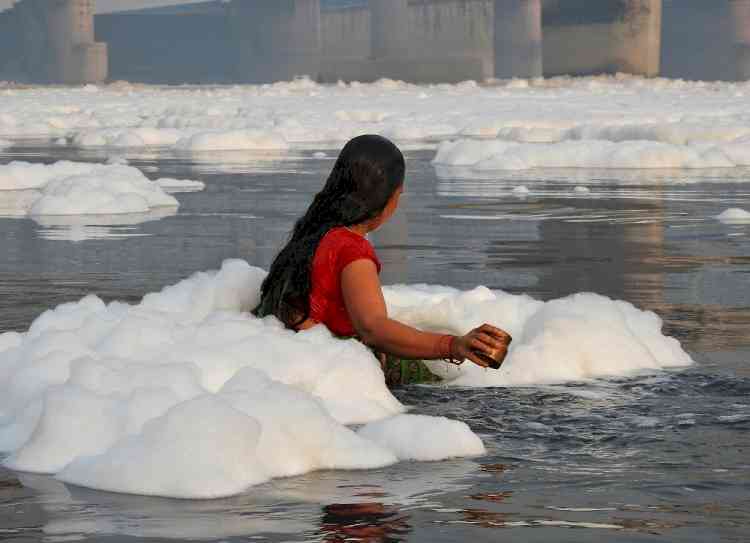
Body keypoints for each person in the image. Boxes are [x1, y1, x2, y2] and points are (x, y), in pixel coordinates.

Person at [253, 134, 511, 372]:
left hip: (298, 355)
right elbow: (373, 329)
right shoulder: (352, 250)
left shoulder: (313, 231)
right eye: (399, 194)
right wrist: (453, 345)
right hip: (335, 369)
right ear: (387, 197)